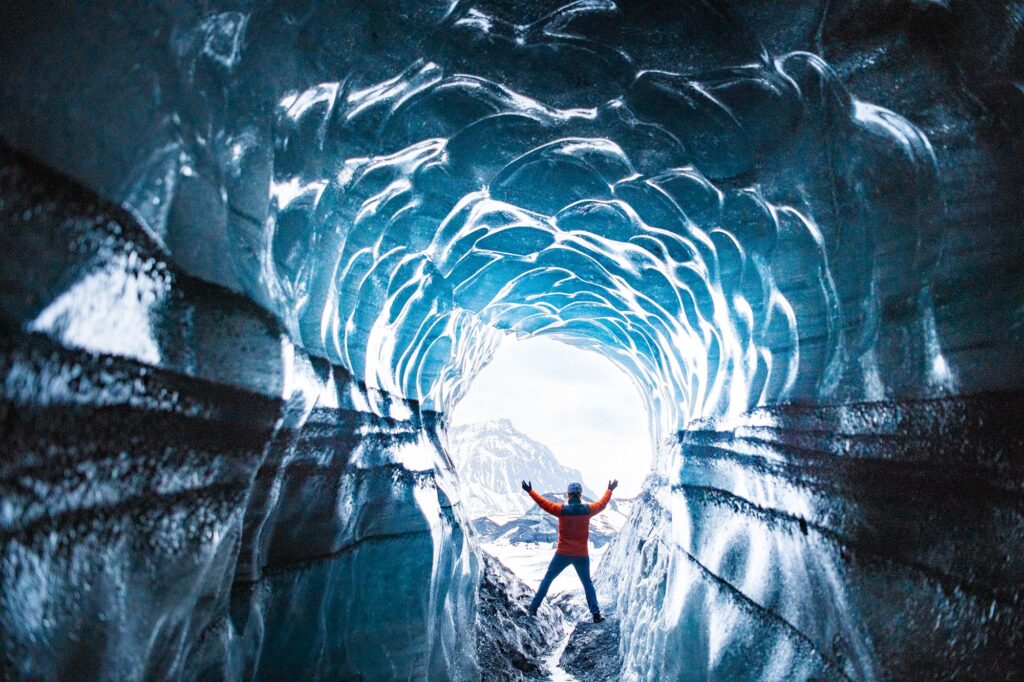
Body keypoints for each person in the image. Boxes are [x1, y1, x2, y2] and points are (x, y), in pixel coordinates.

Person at [521, 478, 618, 623]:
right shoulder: (587, 510)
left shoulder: (561, 510)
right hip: (581, 555)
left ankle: (533, 608)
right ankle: (596, 615)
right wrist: (610, 489)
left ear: (569, 495)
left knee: (548, 579)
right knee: (587, 583)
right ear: (580, 495)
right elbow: (603, 504)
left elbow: (543, 503)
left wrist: (530, 491)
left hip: (562, 554)